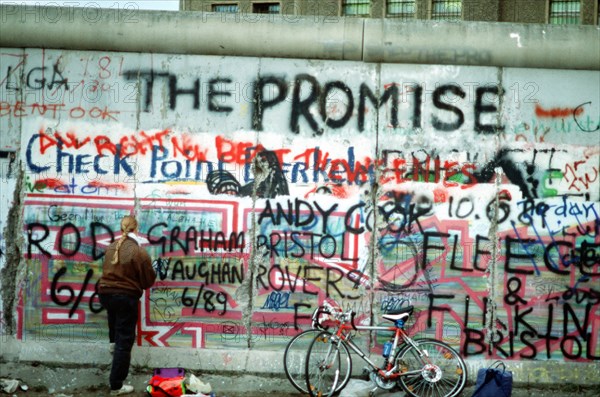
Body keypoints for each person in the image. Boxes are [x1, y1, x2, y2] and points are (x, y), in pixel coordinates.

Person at [98, 215, 156, 396]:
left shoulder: (110, 248)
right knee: (125, 340)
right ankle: (116, 385)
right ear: (136, 229)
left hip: (105, 294)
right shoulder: (138, 252)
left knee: (115, 328)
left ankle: (113, 344)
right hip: (125, 298)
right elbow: (148, 281)